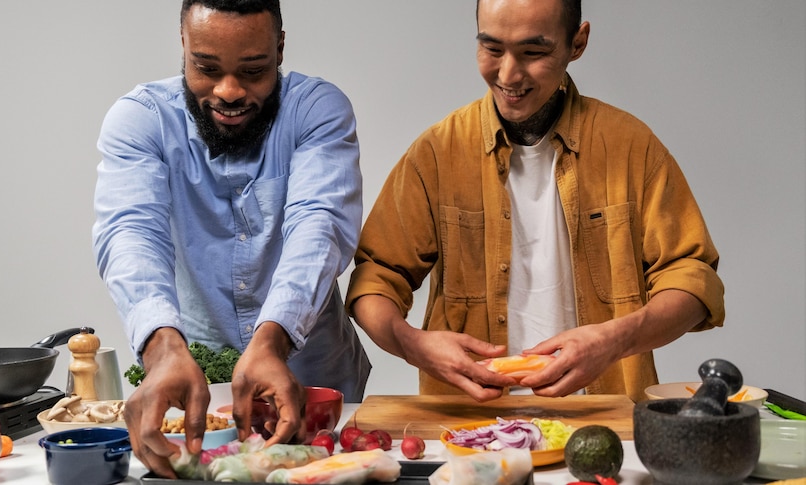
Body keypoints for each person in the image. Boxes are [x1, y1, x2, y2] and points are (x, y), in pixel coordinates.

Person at [346, 0, 724, 404]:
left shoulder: (631, 146)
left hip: (606, 422)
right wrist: (412, 344)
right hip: (472, 428)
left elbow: (693, 280)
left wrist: (615, 340)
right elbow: (375, 277)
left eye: (533, 52)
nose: (508, 74)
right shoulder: (437, 153)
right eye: (492, 49)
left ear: (577, 43)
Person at [92, 0, 370, 477]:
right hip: (199, 397)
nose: (229, 91)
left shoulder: (317, 110)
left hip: (315, 389)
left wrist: (273, 340)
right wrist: (162, 350)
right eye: (206, 68)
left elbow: (318, 225)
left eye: (253, 70)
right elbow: (131, 231)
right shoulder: (140, 120)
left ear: (280, 48)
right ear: (183, 44)